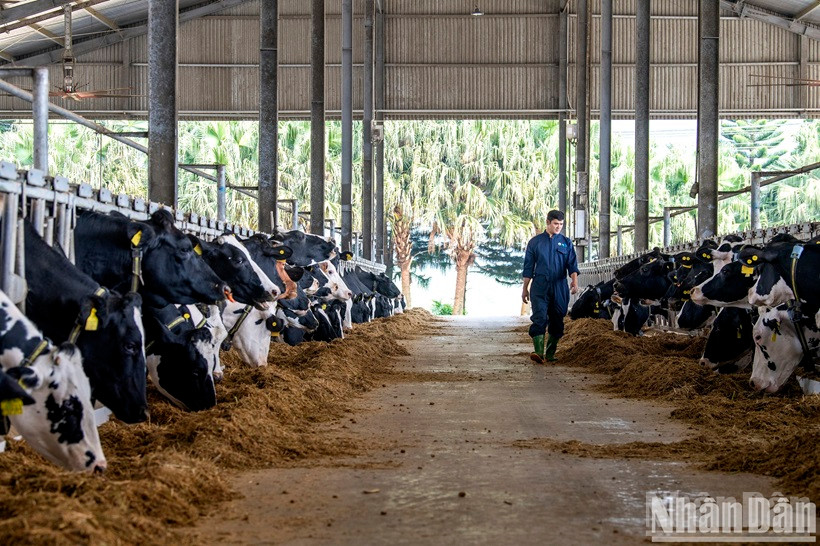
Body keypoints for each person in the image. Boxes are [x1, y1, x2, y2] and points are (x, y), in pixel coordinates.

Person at [521, 210, 579, 364]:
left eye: (561, 224)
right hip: (540, 284)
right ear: (548, 222)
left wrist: (574, 281)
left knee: (557, 318)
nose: (558, 227)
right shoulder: (535, 242)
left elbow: (572, 265)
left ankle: (550, 353)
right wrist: (525, 288)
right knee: (539, 317)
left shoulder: (566, 243)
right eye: (555, 224)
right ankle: (538, 353)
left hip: (559, 285)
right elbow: (528, 268)